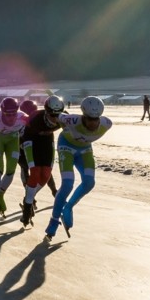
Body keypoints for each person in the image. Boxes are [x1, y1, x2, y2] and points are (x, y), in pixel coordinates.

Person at [43, 96, 113, 242]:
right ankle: (54, 221)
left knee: (89, 183)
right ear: (83, 115)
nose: (93, 122)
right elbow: (54, 115)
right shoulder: (70, 120)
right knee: (67, 184)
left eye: (96, 119)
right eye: (89, 118)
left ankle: (68, 207)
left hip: (85, 150)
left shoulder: (107, 123)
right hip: (66, 147)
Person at [20, 96, 64, 227]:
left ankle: (28, 198)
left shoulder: (64, 117)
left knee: (45, 175)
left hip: (46, 141)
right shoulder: (35, 119)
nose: (56, 118)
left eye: (58, 115)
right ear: (46, 111)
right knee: (35, 172)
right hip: (30, 141)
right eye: (52, 115)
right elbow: (24, 136)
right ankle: (27, 209)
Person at [0, 97, 27, 219]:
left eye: (14, 114)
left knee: (11, 171)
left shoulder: (22, 117)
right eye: (8, 114)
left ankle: (0, 196)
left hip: (13, 139)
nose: (11, 117)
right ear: (2, 112)